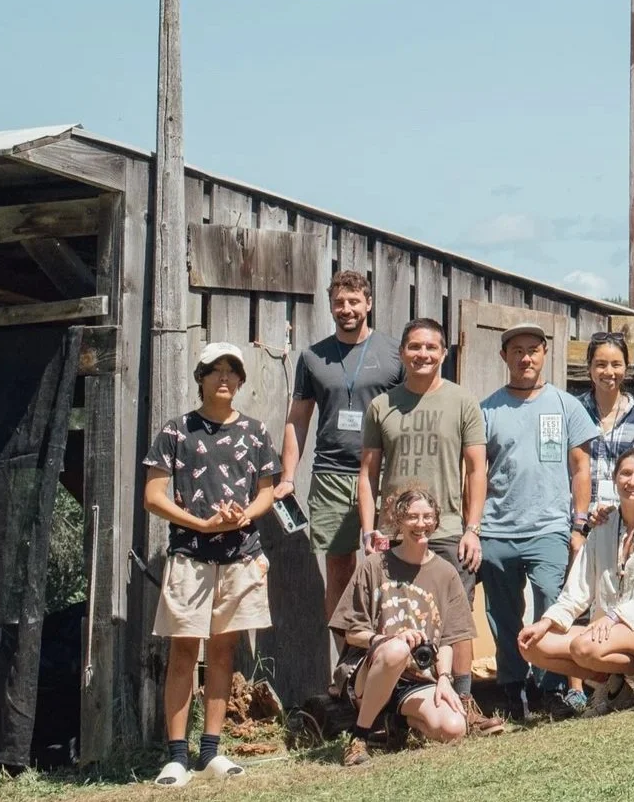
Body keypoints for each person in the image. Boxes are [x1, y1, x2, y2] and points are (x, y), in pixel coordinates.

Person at [145, 341, 281, 786]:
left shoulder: (256, 432)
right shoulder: (176, 430)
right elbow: (153, 496)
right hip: (190, 557)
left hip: (240, 557)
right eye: (214, 370)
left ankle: (211, 752)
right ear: (201, 378)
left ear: (240, 381)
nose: (224, 377)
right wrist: (199, 525)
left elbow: (266, 491)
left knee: (223, 652)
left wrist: (247, 514)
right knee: (184, 650)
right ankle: (177, 756)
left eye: (232, 371)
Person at [474, 321, 598, 719]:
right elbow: (474, 472)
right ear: (504, 356)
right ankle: (513, 685)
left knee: (552, 605)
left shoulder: (566, 405)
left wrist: (579, 524)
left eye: (533, 349)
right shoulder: (487, 409)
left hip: (549, 528)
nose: (525, 357)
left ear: (545, 353)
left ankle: (554, 687)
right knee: (503, 613)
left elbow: (581, 468)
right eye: (517, 351)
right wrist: (472, 527)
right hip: (498, 529)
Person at [518, 445, 634, 715]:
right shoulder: (603, 526)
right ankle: (613, 687)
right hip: (605, 632)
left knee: (584, 647)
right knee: (532, 645)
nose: (632, 482)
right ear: (615, 479)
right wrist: (546, 622)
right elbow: (577, 591)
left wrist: (612, 619)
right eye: (626, 474)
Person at [284, 269, 403, 614]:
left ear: (368, 303)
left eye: (354, 301)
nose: (346, 308)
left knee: (390, 565)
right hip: (331, 474)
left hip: (385, 475)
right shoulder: (312, 357)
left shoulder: (395, 353)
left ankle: (388, 654)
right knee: (339, 569)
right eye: (339, 302)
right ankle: (345, 662)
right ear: (330, 307)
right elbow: (298, 419)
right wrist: (287, 477)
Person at [329, 488, 472, 766]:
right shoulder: (374, 566)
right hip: (371, 672)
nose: (421, 524)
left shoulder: (446, 573)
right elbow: (351, 632)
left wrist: (444, 678)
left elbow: (449, 639)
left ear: (437, 520)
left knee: (453, 728)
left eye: (428, 516)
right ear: (398, 520)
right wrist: (388, 639)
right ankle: (359, 738)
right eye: (413, 517)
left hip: (417, 678)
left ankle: (395, 722)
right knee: (396, 650)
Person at [358, 319, 488, 580]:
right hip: (394, 533)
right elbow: (368, 474)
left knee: (451, 617)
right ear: (402, 353)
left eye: (431, 347)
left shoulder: (464, 402)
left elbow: (476, 471)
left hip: (446, 533)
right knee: (393, 615)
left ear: (443, 353)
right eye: (415, 347)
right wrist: (368, 530)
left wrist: (472, 530)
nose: (423, 354)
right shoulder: (381, 406)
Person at [580, 332, 634, 467]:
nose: (609, 372)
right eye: (601, 364)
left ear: (626, 367)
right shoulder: (575, 410)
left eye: (616, 364)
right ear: (590, 367)